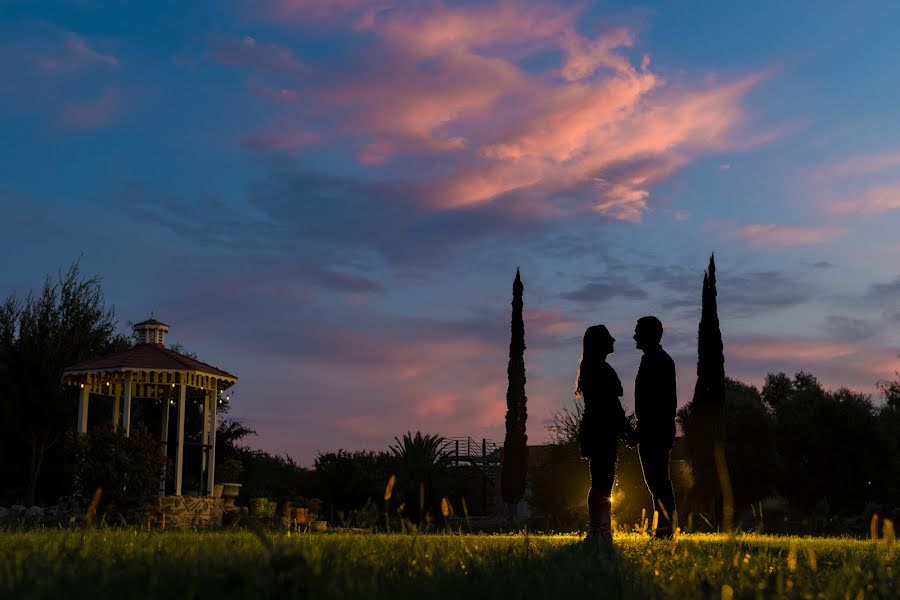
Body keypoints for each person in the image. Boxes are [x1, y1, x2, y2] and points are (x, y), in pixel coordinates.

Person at [576, 324, 636, 545]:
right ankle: (598, 530)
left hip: (595, 429)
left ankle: (600, 529)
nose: (613, 341)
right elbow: (611, 406)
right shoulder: (599, 369)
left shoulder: (592, 367)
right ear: (600, 343)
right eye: (609, 338)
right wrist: (628, 431)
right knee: (603, 481)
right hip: (601, 431)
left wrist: (624, 430)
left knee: (601, 481)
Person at [632, 315, 678, 538]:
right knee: (657, 482)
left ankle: (665, 530)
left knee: (658, 482)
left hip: (655, 431)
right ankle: (663, 530)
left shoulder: (656, 360)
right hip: (656, 429)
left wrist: (640, 431)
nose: (634, 336)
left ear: (649, 334)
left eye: (638, 331)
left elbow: (654, 402)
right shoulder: (656, 358)